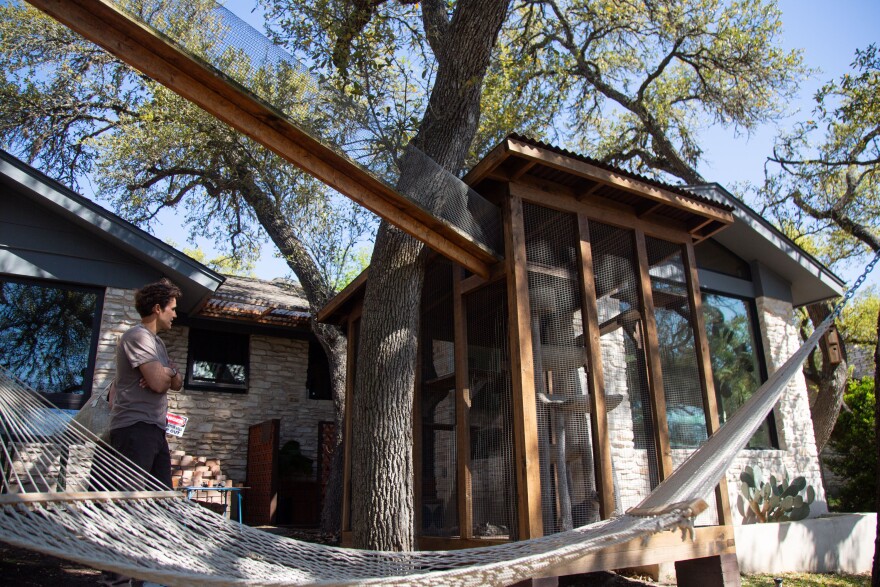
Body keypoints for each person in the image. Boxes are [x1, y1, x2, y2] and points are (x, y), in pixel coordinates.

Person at [109, 278, 183, 490]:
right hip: (135, 428)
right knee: (130, 499)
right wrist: (164, 372)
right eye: (172, 309)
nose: (175, 315)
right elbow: (159, 384)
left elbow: (177, 383)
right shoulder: (137, 336)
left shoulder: (157, 343)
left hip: (155, 428)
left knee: (162, 498)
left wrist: (168, 371)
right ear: (158, 309)